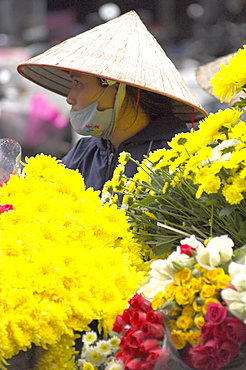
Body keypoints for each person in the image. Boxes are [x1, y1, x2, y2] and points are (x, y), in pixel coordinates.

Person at [17, 10, 207, 192]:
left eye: (78, 83)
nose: (70, 98)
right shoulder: (85, 152)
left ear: (116, 88)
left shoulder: (177, 156)